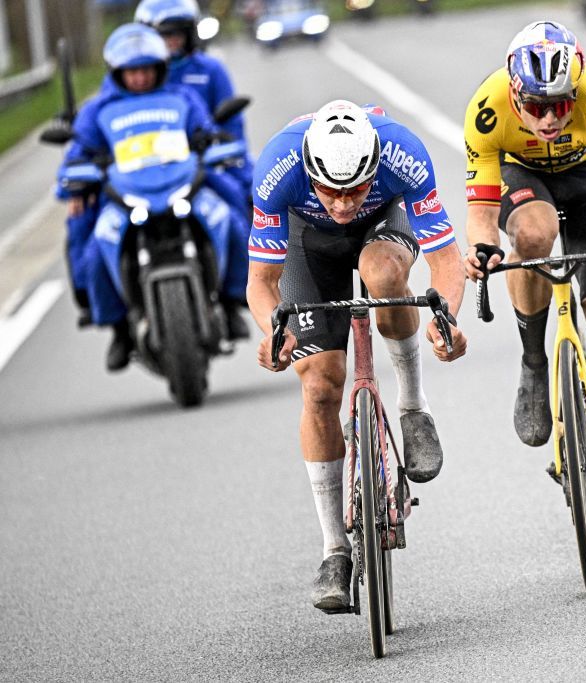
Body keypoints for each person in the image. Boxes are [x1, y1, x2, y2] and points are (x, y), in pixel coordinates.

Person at [248, 100, 467, 612]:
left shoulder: (402, 153)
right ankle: (334, 551)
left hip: (381, 233)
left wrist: (447, 320)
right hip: (308, 243)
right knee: (320, 383)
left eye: (355, 189)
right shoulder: (278, 167)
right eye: (329, 190)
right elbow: (261, 282)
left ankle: (414, 408)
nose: (344, 203)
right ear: (309, 170)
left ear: (374, 168)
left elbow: (446, 260)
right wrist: (273, 332)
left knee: (384, 274)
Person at [462, 20, 586, 547]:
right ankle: (534, 361)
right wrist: (482, 248)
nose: (549, 118)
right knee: (532, 232)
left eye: (560, 105)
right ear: (514, 90)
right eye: (536, 106)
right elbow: (481, 208)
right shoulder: (487, 109)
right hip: (523, 181)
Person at [57, 23, 250, 370]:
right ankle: (116, 326)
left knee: (233, 218)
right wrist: (73, 183)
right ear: (118, 73)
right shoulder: (97, 109)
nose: (140, 78)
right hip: (124, 197)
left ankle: (235, 299)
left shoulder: (182, 98)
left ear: (159, 68)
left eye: (146, 69)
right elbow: (78, 152)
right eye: (132, 71)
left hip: (183, 184)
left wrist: (211, 142)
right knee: (95, 246)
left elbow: (205, 130)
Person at [134, 0, 254, 191]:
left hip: (202, 161)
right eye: (164, 34)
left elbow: (232, 128)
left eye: (178, 32)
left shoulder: (211, 69)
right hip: (140, 166)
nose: (172, 39)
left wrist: (223, 150)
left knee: (243, 193)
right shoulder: (130, 76)